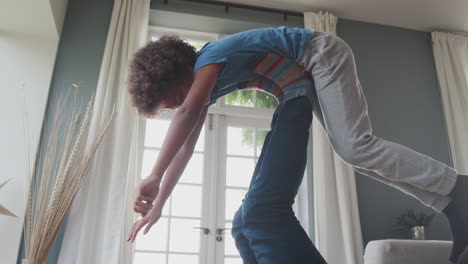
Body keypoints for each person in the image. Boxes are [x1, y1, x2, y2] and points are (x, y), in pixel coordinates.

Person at [125, 26, 468, 264]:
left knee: (355, 146)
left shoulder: (211, 56)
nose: (185, 103)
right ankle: (449, 202)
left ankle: (457, 186)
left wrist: (153, 173)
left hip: (321, 54)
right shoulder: (204, 87)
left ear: (182, 72)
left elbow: (186, 113)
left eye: (180, 97)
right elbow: (187, 143)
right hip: (300, 81)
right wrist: (161, 200)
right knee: (354, 155)